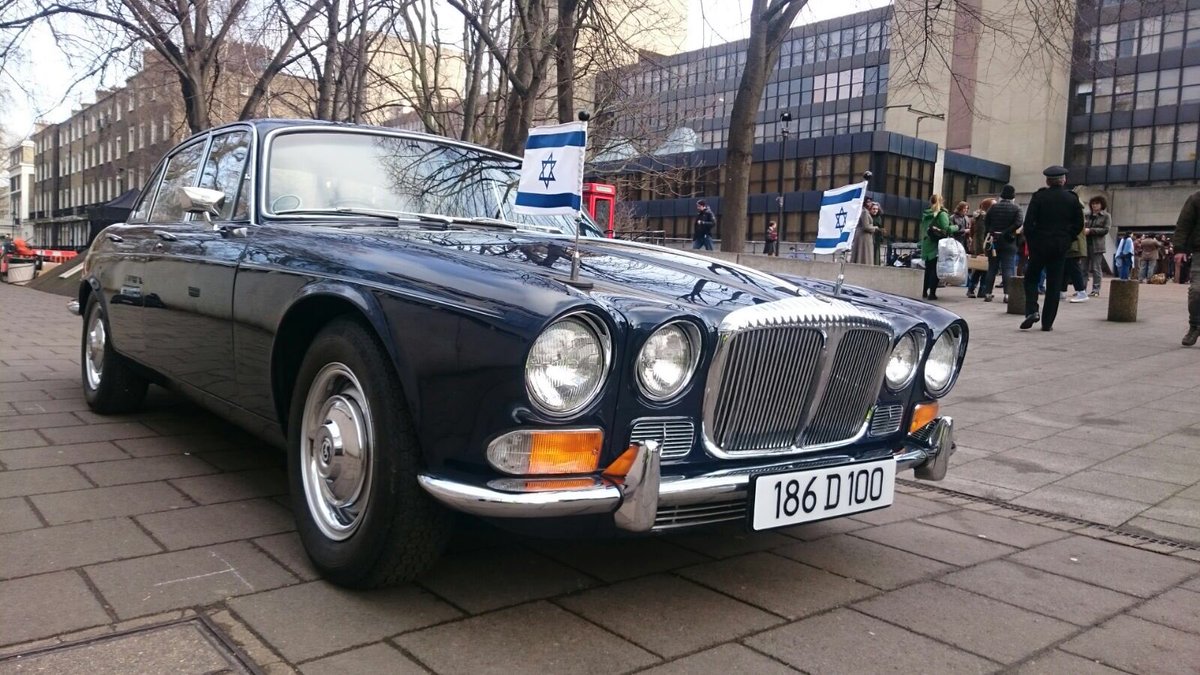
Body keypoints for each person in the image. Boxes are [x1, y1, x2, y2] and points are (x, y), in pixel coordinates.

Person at [1020, 166, 1084, 331]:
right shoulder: (1071, 198)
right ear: (1064, 180)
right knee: (1054, 284)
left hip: (1039, 245)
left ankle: (1032, 310)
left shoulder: (1039, 196)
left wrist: (1033, 241)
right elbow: (1079, 224)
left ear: (1047, 181)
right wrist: (1067, 238)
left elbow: (1028, 224)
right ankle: (1047, 323)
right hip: (1060, 246)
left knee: (1031, 278)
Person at [981, 185, 1022, 303]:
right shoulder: (1016, 208)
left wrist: (991, 232)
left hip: (993, 241)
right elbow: (1019, 222)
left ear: (1001, 195)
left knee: (992, 268)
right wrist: (1007, 231)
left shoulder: (993, 208)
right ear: (1013, 196)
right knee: (1008, 268)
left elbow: (986, 222)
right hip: (1009, 242)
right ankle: (1007, 295)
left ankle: (987, 293)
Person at [1171, 190, 1200, 346]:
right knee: (1196, 291)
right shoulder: (1196, 198)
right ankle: (1195, 325)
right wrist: (1180, 249)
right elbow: (1184, 224)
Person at [919, 194, 954, 300]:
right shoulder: (942, 214)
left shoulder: (926, 213)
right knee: (935, 270)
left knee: (928, 269)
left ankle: (924, 291)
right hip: (936, 245)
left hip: (926, 243)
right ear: (941, 201)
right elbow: (946, 229)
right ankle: (932, 293)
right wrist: (956, 227)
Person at [966, 198, 995, 298]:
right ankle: (973, 289)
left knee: (983, 269)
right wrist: (982, 250)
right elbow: (981, 235)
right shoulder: (983, 217)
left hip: (981, 246)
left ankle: (980, 290)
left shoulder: (981, 217)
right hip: (981, 247)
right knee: (980, 269)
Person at [1084, 196, 1110, 296]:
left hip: (1097, 245)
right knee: (1083, 268)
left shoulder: (1106, 216)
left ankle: (1096, 289)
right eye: (1093, 203)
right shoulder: (1087, 215)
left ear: (1102, 205)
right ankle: (1082, 289)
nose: (1095, 205)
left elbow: (1106, 230)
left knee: (1096, 268)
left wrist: (1091, 230)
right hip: (1085, 244)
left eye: (1097, 203)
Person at [1062, 222, 1089, 303]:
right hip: (1071, 244)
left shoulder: (1075, 211)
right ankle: (1062, 291)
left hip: (1073, 244)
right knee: (1066, 268)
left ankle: (1081, 291)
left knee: (1073, 268)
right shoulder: (1075, 211)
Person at [850, 198, 878, 264]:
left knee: (862, 253)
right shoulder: (864, 212)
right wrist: (875, 228)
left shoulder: (864, 211)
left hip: (862, 235)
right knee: (864, 253)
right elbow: (866, 226)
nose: (870, 203)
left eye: (871, 202)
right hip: (863, 236)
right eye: (868, 202)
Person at [870, 202, 886, 266]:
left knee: (876, 252)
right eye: (873, 209)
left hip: (877, 237)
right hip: (870, 236)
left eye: (876, 209)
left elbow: (880, 227)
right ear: (870, 209)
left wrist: (881, 231)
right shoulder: (869, 216)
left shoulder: (879, 217)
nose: (875, 210)